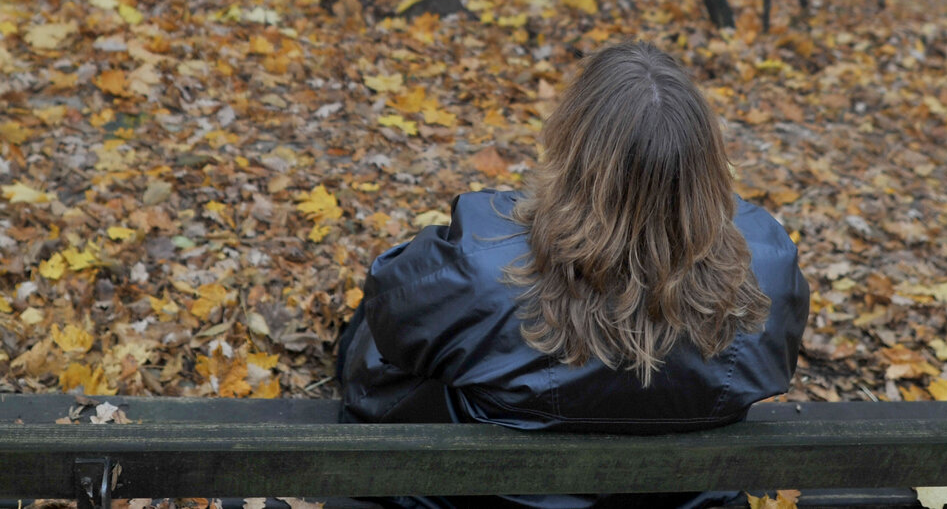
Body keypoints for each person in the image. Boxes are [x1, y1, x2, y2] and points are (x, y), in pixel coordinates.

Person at [336, 39, 811, 509]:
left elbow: (389, 321)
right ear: (707, 157)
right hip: (679, 498)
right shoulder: (768, 262)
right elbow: (771, 368)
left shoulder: (480, 259)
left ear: (570, 140)